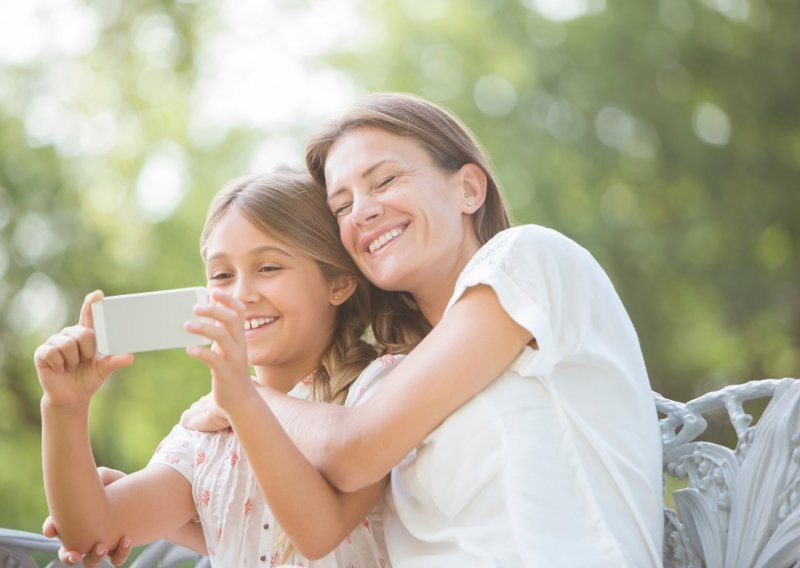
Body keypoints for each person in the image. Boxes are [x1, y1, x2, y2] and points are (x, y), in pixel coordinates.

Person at [182, 93, 665, 566]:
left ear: (469, 189)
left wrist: (241, 398)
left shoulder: (526, 260)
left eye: (385, 179)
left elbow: (354, 451)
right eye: (341, 206)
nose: (362, 212)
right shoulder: (396, 373)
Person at [34, 169, 396, 567]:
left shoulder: (377, 392)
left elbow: (318, 536)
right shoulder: (207, 427)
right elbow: (91, 533)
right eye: (222, 275)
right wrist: (64, 408)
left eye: (269, 268)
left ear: (339, 285)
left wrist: (243, 401)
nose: (241, 294)